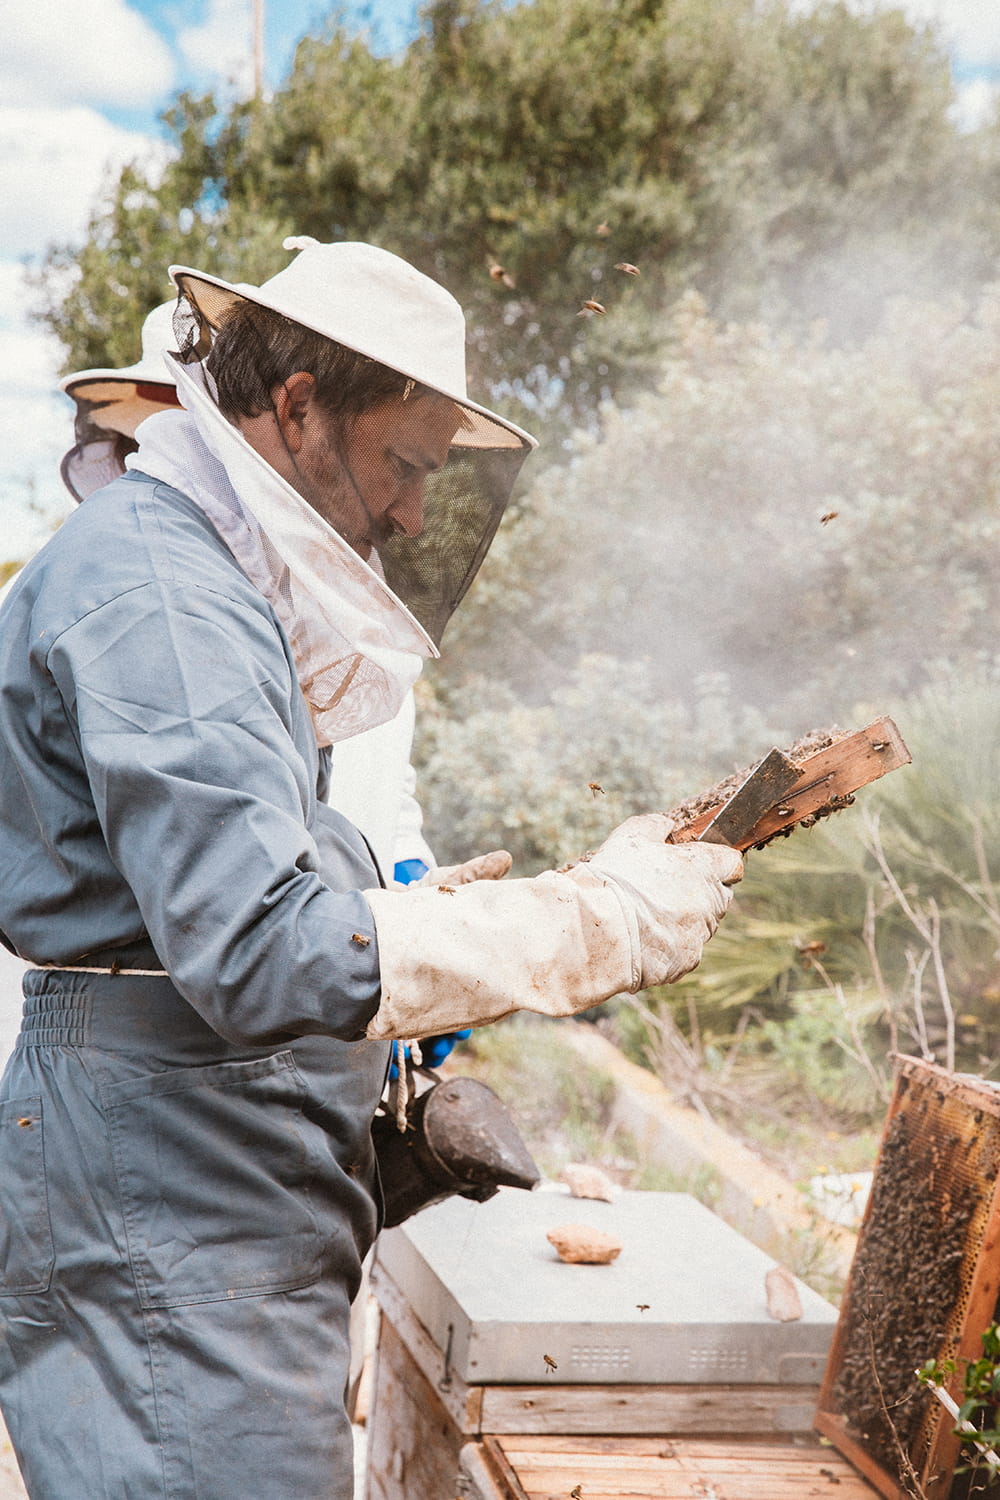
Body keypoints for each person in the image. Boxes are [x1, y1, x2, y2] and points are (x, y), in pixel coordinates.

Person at [0, 237, 743, 1500]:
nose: (411, 512)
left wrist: (400, 912)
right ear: (295, 407)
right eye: (404, 465)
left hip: (206, 1167)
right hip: (176, 1172)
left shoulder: (201, 580)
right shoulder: (164, 592)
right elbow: (255, 944)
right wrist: (588, 923)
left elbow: (234, 882)